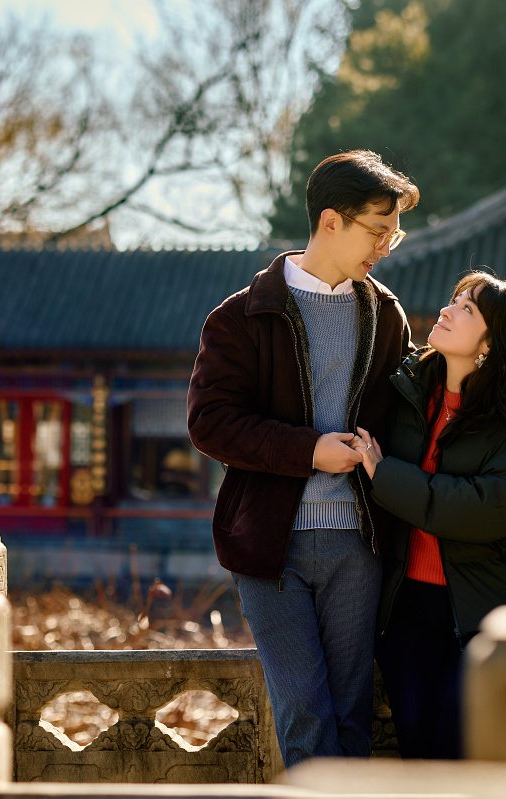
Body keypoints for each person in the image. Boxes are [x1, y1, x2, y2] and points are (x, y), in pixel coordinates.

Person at [187, 149, 419, 766]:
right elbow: (210, 423)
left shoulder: (385, 313)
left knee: (350, 709)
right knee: (304, 711)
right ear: (331, 222)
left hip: (360, 543)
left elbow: (409, 413)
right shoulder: (240, 317)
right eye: (377, 229)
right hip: (270, 547)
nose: (386, 246)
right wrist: (308, 450)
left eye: (393, 232)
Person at [351, 271, 506, 760]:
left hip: (488, 608)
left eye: (468, 308)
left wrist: (388, 477)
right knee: (419, 749)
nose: (448, 309)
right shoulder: (405, 395)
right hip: (405, 607)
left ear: (492, 341)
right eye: (455, 300)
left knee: (467, 750)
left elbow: (486, 509)